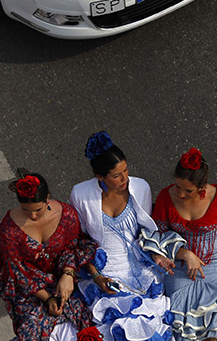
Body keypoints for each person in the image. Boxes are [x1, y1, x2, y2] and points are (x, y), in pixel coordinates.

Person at [146, 147, 217, 341]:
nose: (181, 194)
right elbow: (156, 235)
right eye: (177, 186)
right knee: (185, 328)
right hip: (179, 267)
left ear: (202, 187)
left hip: (214, 264)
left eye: (188, 190)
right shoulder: (166, 198)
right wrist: (184, 253)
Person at [70, 131, 175, 341]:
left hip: (143, 269)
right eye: (117, 175)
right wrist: (96, 275)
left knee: (149, 328)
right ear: (100, 177)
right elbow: (80, 242)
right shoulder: (81, 195)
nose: (125, 178)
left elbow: (146, 231)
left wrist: (156, 255)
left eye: (126, 170)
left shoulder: (140, 187)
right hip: (106, 272)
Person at [0, 169, 98, 341]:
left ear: (47, 198)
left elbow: (73, 248)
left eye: (37, 209)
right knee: (31, 331)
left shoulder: (66, 215)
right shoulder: (8, 230)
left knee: (87, 324)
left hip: (64, 281)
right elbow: (18, 273)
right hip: (31, 291)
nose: (32, 216)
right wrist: (48, 298)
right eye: (25, 210)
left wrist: (68, 274)